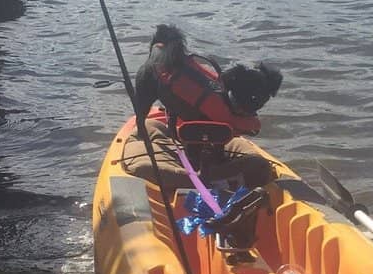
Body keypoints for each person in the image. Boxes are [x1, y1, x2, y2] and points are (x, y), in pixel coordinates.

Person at [121, 24, 283, 191]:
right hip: (154, 80)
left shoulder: (223, 98)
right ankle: (147, 138)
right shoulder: (215, 103)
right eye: (253, 101)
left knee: (210, 131)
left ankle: (210, 164)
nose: (253, 109)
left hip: (190, 96)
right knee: (146, 116)